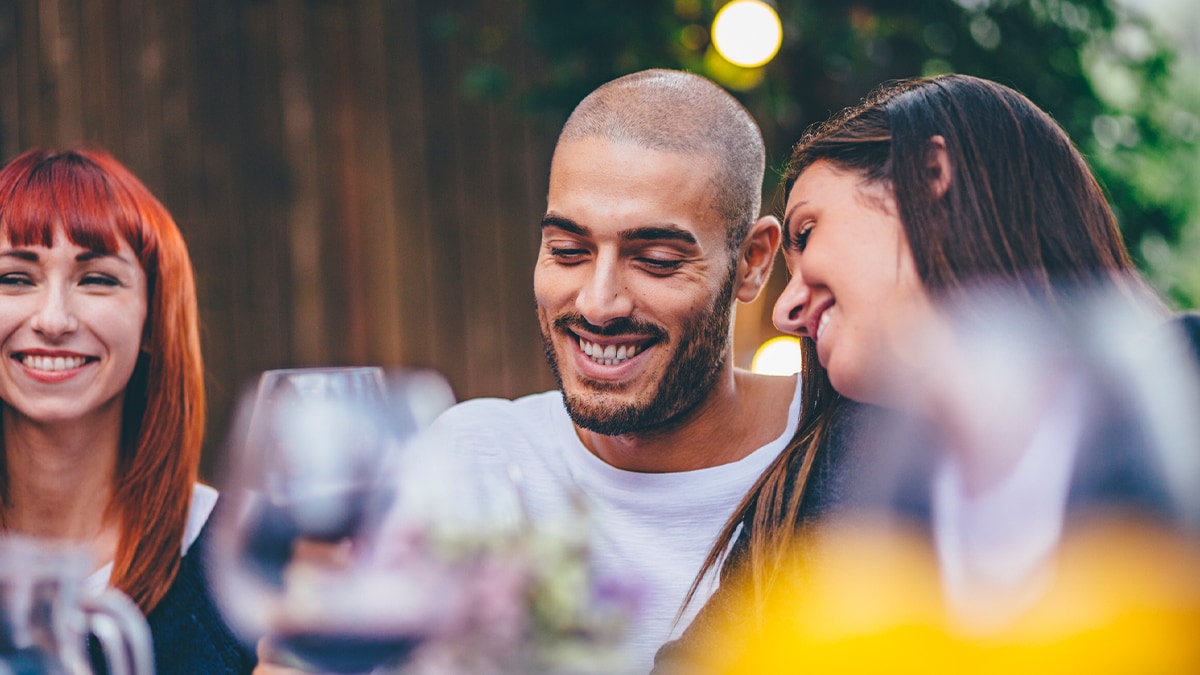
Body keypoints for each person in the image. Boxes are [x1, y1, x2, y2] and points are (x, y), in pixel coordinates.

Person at [653, 74, 1200, 672]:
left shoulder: (1181, 380)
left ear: (929, 174)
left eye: (807, 234)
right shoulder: (814, 480)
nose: (785, 311)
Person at [422, 68, 793, 673]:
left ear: (752, 263)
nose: (597, 303)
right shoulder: (472, 459)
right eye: (568, 251)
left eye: (657, 260)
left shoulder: (839, 452)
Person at [0, 147, 254, 673]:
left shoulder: (247, 563)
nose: (53, 319)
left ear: (153, 319)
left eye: (97, 278)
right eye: (14, 278)